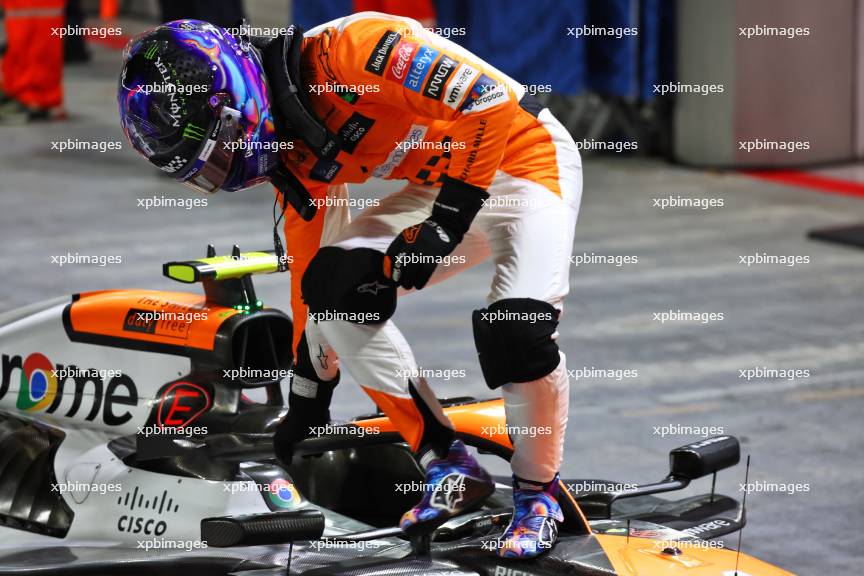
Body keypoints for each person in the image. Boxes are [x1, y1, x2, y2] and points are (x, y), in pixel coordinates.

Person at [117, 15, 581, 558]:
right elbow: (309, 278)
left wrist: (446, 222)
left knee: (515, 331)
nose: (230, 170)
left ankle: (538, 495)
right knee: (332, 290)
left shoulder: (354, 52)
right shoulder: (292, 151)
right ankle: (448, 463)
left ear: (234, 98)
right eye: (211, 170)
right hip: (443, 187)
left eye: (220, 151)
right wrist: (307, 398)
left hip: (528, 160)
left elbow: (490, 102)